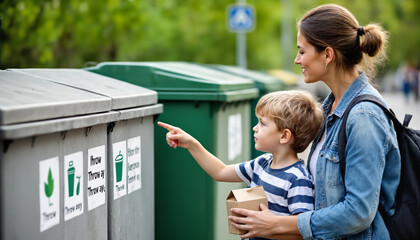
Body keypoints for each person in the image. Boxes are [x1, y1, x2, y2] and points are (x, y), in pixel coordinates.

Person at [229, 4, 401, 240]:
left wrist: (279, 224)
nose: (296, 60)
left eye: (302, 51)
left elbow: (359, 212)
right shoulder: (330, 108)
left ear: (327, 55)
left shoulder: (364, 118)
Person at [158, 90, 324, 240]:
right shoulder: (262, 163)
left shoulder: (298, 179)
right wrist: (191, 144)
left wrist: (269, 229)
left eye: (262, 123)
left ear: (284, 136)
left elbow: (301, 231)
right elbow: (220, 171)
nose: (255, 128)